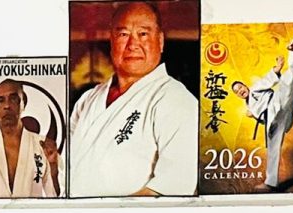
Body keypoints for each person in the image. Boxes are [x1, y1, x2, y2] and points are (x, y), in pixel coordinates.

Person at [68, 1, 197, 197]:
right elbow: (64, 166)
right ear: (112, 41)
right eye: (123, 34)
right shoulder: (88, 99)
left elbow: (173, 186)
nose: (132, 44)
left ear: (160, 41)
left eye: (143, 34)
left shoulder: (176, 99)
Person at [231, 36, 293, 191]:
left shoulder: (255, 88)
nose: (240, 91)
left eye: (240, 87)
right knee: (273, 149)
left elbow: (268, 80)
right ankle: (270, 183)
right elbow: (263, 119)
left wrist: (277, 68)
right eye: (237, 92)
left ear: (245, 86)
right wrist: (254, 116)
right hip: (275, 120)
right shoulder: (249, 106)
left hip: (276, 103)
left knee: (287, 82)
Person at [0, 78, 60, 199]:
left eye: (13, 99)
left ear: (23, 103)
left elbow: (55, 196)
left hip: (30, 211)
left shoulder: (42, 145)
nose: (7, 106)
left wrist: (53, 167)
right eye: (1, 101)